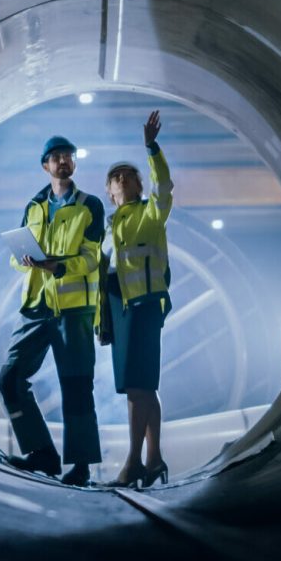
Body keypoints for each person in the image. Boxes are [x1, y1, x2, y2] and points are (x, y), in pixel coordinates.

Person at [0, 135, 105, 486]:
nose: (63, 161)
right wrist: (25, 259)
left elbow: (92, 258)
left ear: (74, 164)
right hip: (36, 306)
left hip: (73, 310)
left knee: (76, 386)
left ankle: (82, 466)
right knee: (11, 378)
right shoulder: (34, 206)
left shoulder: (90, 207)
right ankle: (41, 453)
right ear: (46, 165)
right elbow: (18, 261)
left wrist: (57, 266)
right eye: (57, 157)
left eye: (68, 156)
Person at [97, 110, 174, 488]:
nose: (122, 179)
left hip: (143, 308)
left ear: (139, 186)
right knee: (144, 386)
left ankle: (131, 464)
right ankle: (154, 459)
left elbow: (165, 188)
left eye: (129, 175)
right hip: (120, 311)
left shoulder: (151, 213)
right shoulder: (108, 229)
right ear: (109, 192)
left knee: (136, 388)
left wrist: (151, 148)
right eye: (115, 177)